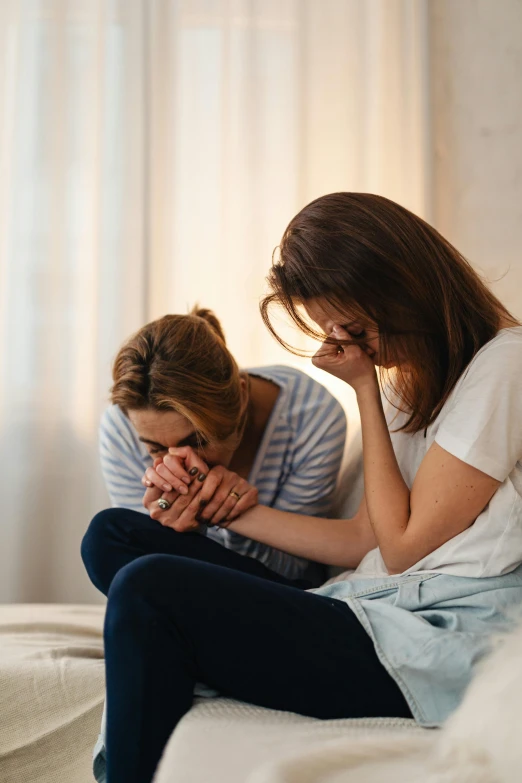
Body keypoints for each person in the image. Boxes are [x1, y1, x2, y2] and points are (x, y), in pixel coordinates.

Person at [86, 194, 522, 783]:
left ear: (404, 290)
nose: (346, 346)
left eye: (356, 329)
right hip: (371, 605)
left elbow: (402, 549)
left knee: (147, 588)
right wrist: (227, 509)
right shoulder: (410, 384)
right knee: (115, 535)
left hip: (436, 636)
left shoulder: (505, 365)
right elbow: (363, 541)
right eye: (333, 330)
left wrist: (364, 388)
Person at [82, 306, 347, 594]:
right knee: (105, 535)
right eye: (156, 449)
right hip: (180, 587)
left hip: (276, 591)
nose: (182, 460)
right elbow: (141, 560)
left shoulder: (311, 414)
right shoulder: (123, 426)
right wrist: (176, 525)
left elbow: (290, 568)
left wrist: (231, 513)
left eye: (198, 441)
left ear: (243, 396)